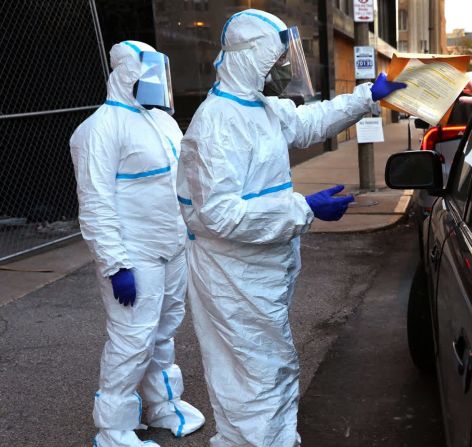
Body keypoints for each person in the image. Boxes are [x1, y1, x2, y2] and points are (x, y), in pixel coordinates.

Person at [176, 9, 406, 446]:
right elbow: (220, 216)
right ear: (250, 57)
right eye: (275, 59)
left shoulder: (260, 108)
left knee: (272, 368)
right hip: (233, 273)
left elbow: (308, 123)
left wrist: (367, 96)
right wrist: (304, 210)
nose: (282, 69)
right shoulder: (216, 124)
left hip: (261, 267)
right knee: (252, 380)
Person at [70, 40, 204, 447]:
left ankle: (164, 403)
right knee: (132, 338)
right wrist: (114, 264)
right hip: (133, 255)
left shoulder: (162, 122)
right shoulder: (98, 129)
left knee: (163, 331)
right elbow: (95, 204)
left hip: (171, 247)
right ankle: (113, 428)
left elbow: (180, 184)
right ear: (127, 71)